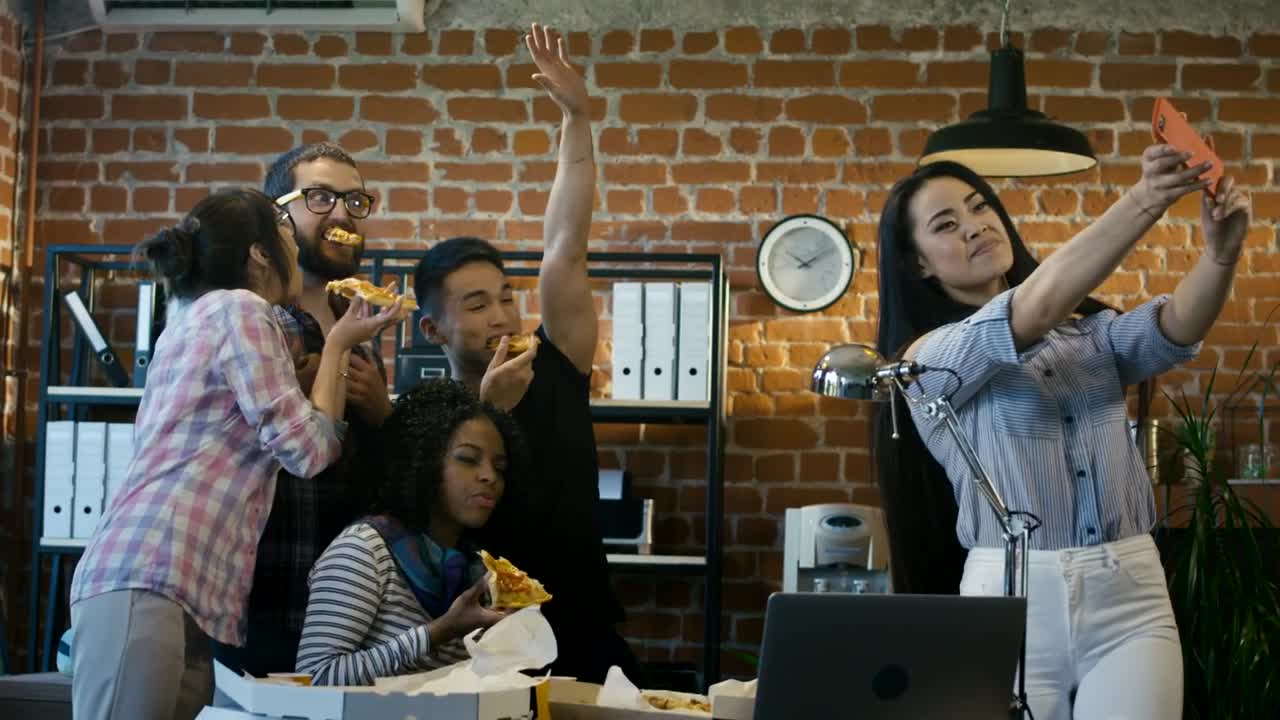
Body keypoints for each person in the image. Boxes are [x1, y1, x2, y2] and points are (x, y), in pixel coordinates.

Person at [873, 144, 1250, 719]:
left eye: (980, 207)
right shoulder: (928, 361)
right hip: (1010, 601)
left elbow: (1173, 328)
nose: (974, 226)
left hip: (1130, 592)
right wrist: (1146, 198)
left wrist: (1222, 255)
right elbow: (1032, 309)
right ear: (917, 264)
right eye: (946, 224)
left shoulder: (1084, 332)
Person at [68, 188, 403, 720]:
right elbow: (308, 451)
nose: (295, 248)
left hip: (176, 585)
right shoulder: (242, 309)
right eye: (287, 233)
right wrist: (338, 346)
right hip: (152, 572)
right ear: (259, 253)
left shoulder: (194, 315)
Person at [411, 23, 638, 683]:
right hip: (476, 646)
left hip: (584, 633)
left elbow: (566, 244)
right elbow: (429, 533)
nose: (502, 315)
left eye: (506, 297)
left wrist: (577, 119)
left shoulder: (556, 361)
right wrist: (490, 412)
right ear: (433, 330)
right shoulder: (425, 415)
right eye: (477, 304)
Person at [213, 143, 393, 676]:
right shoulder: (251, 320)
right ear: (278, 218)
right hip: (258, 600)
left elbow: (373, 477)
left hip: (350, 612)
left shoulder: (361, 331)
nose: (342, 215)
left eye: (355, 201)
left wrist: (382, 414)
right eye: (320, 197)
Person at [295, 379, 526, 685]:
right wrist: (438, 632)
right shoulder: (363, 550)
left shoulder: (476, 571)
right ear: (422, 460)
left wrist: (508, 640)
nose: (489, 476)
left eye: (500, 468)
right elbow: (314, 677)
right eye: (468, 459)